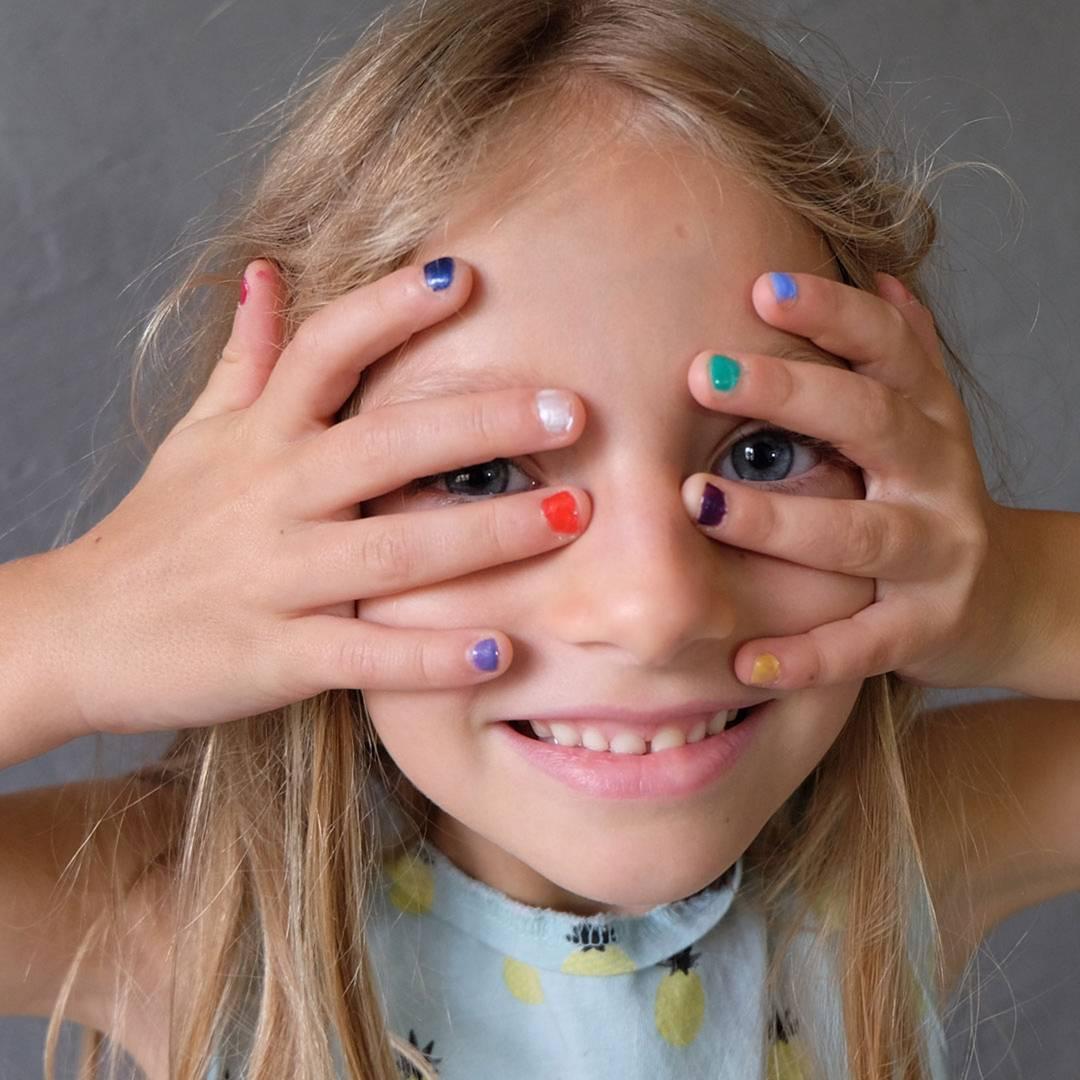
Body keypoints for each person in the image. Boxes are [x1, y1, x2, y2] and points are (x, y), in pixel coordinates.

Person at [1, 0, 1077, 1077]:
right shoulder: (196, 919)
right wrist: (81, 628)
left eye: (762, 454)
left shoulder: (887, 864)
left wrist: (1015, 590)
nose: (655, 611)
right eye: (476, 477)